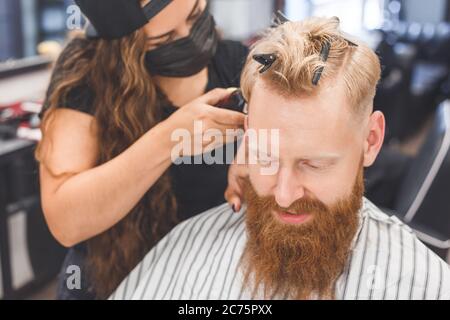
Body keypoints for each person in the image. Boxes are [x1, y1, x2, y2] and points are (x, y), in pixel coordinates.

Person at [110, 17, 450, 300]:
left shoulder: (423, 285)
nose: (284, 195)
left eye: (314, 164)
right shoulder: (185, 248)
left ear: (371, 141)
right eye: (264, 157)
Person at [36, 0, 247, 299]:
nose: (189, 36)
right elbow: (66, 222)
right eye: (165, 39)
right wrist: (168, 139)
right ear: (127, 44)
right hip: (113, 281)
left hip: (202, 279)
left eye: (196, 16)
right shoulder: (85, 76)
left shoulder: (234, 61)